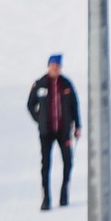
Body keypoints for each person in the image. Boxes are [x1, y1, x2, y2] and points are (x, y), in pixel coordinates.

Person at [28, 53, 80, 210]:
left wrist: (77, 126)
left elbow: (74, 106)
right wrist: (39, 119)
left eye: (57, 66)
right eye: (53, 66)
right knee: (46, 164)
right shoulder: (40, 84)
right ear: (48, 67)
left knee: (67, 161)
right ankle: (46, 198)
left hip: (63, 130)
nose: (55, 69)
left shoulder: (66, 85)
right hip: (46, 131)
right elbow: (30, 104)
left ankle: (64, 194)